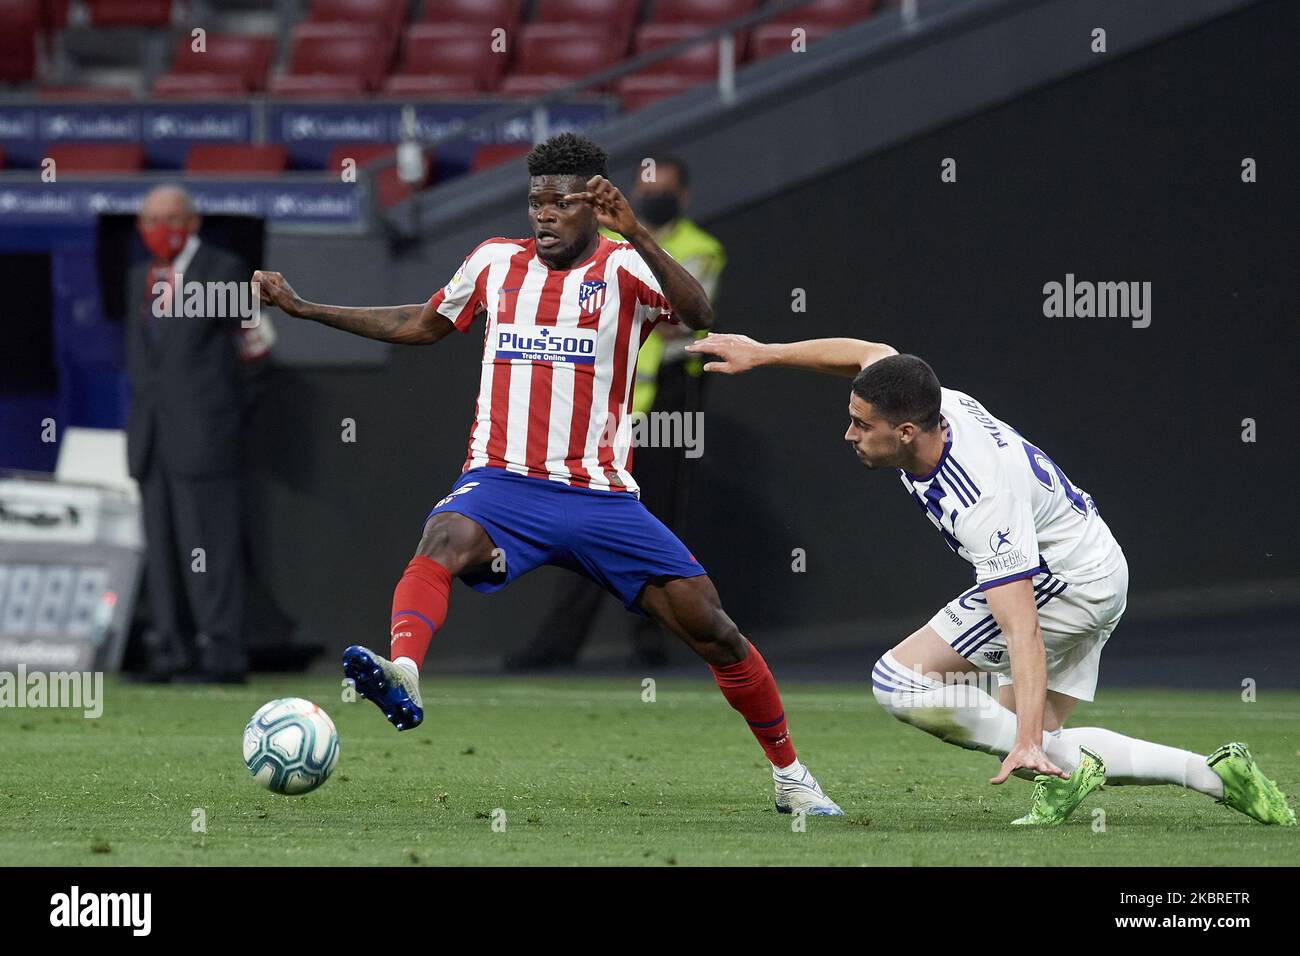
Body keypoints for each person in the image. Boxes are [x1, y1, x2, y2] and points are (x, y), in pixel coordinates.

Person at [252, 134, 841, 815]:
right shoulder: (495, 263)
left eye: (562, 202)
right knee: (443, 538)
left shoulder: (626, 268)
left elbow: (700, 314)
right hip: (504, 483)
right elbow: (421, 322)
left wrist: (640, 233)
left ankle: (791, 775)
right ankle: (405, 671)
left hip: (601, 496)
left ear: (595, 206)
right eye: (537, 201)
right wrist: (305, 309)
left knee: (715, 630)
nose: (546, 214)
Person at [685, 331, 1295, 827]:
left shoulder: (980, 501)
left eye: (859, 424)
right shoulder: (926, 400)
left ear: (904, 433)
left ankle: (1054, 754)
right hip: (1094, 558)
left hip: (1067, 582)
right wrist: (766, 354)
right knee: (1038, 735)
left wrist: (1026, 740)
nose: (848, 433)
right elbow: (868, 354)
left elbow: (1021, 624)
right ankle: (1215, 774)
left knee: (901, 682)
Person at [505, 154, 726, 671]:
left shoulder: (699, 248)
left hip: (672, 401)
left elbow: (681, 319)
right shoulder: (608, 246)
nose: (653, 198)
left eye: (664, 191)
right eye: (646, 189)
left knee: (661, 523)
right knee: (583, 516)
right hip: (610, 402)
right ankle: (558, 645)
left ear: (684, 196)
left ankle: (652, 644)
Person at [127, 184, 272, 684]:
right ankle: (169, 650)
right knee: (164, 551)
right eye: (148, 221)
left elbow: (255, 349)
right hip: (152, 439)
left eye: (167, 218)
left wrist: (225, 418)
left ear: (192, 221)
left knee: (211, 548)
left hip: (206, 436)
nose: (157, 230)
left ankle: (222, 653)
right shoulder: (138, 278)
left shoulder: (223, 271)